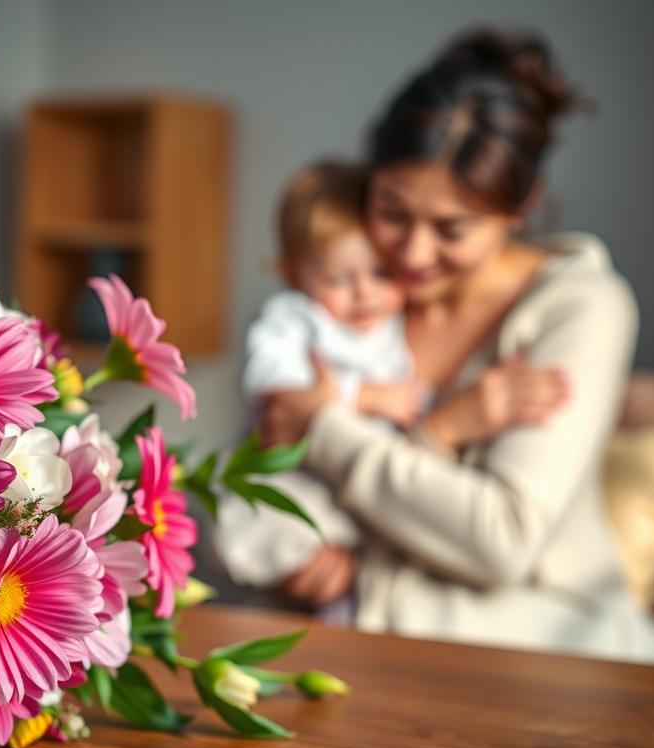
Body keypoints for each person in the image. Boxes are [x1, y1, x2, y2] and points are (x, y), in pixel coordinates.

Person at [249, 28, 654, 661]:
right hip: (363, 640)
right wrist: (287, 551)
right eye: (392, 210)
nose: (413, 253)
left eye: (452, 229)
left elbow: (499, 541)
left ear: (520, 205)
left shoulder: (581, 308)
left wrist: (325, 424)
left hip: (540, 648)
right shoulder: (363, 291)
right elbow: (268, 461)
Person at [223, 159, 571, 594]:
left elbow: (412, 416)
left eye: (381, 274)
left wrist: (457, 413)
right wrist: (360, 396)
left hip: (364, 509)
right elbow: (277, 389)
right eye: (340, 279)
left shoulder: (391, 325)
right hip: (294, 484)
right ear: (295, 275)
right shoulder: (295, 317)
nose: (365, 293)